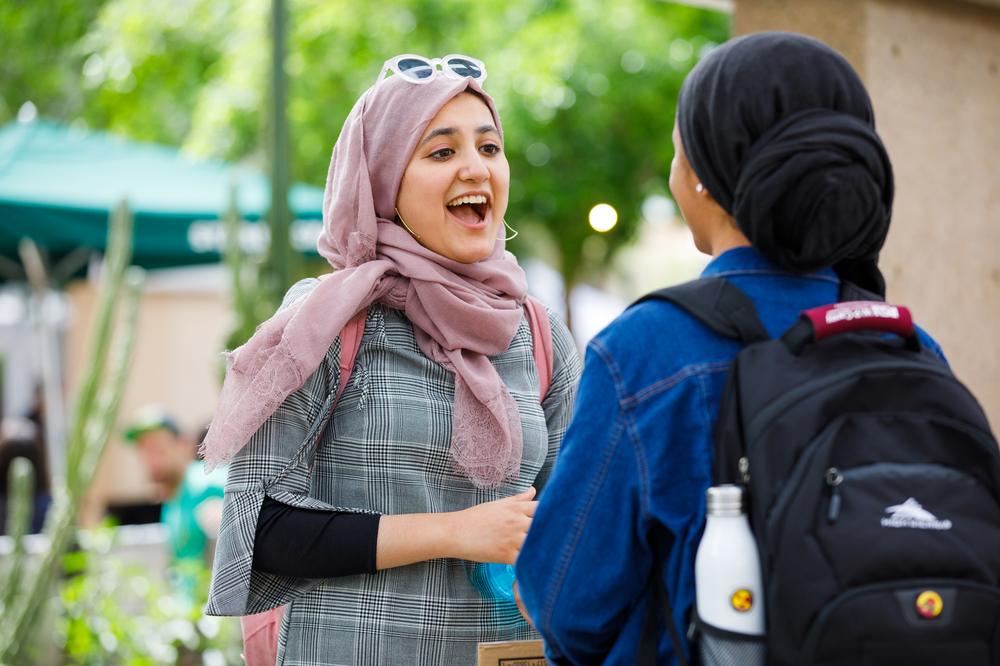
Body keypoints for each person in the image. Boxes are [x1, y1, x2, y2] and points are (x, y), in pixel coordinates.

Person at [515, 32, 947, 664]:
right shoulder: (908, 344)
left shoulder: (649, 349)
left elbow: (567, 610)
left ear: (704, 176)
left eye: (677, 149)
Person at [201, 54, 581, 665]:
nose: (474, 168)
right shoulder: (326, 320)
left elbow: (568, 507)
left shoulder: (536, 331)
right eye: (440, 152)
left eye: (489, 148)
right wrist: (456, 532)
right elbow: (260, 531)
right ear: (382, 179)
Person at [124, 405, 226, 566]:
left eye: (157, 447)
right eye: (144, 450)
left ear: (182, 444)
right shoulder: (172, 501)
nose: (151, 458)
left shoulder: (206, 482)